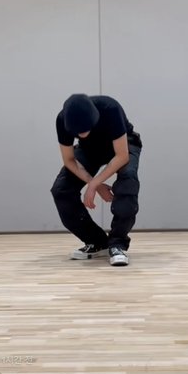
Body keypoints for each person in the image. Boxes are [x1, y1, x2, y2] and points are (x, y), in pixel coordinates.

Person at [51, 94, 142, 266]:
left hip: (124, 145)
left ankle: (117, 244)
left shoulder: (110, 108)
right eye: (77, 132)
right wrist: (95, 183)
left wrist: (93, 183)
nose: (81, 133)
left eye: (85, 129)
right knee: (61, 190)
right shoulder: (62, 120)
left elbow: (122, 156)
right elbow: (69, 159)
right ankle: (98, 242)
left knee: (127, 181)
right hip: (90, 149)